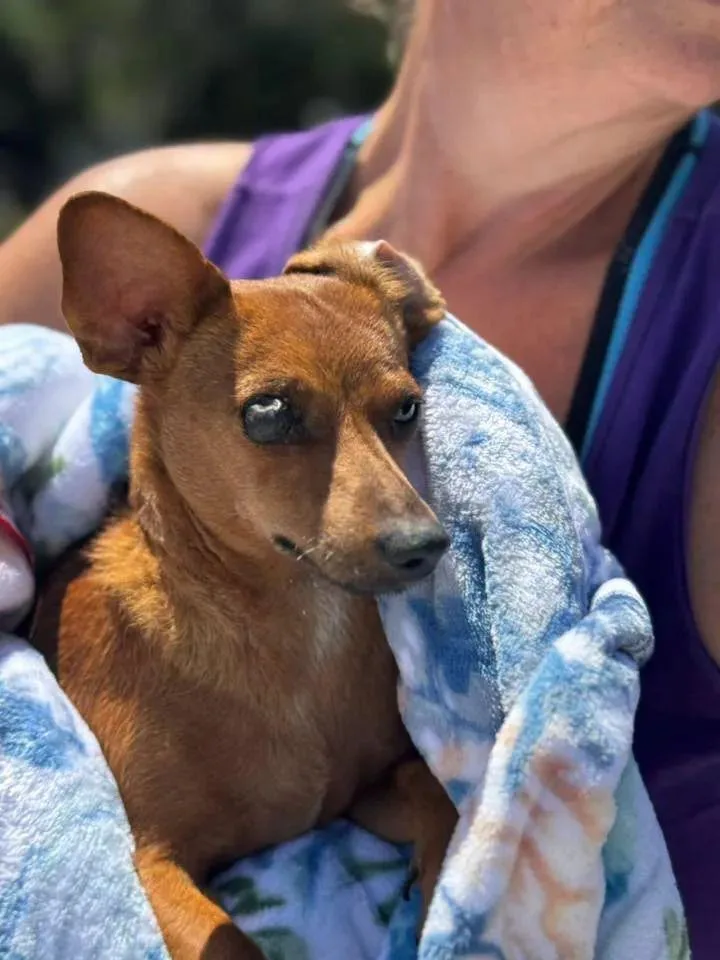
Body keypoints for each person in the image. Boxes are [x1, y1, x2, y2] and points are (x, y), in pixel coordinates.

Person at [2, 0, 720, 953]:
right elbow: (121, 857)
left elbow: (400, 767)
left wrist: (452, 844)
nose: (393, 502)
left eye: (401, 415)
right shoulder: (158, 222)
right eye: (276, 419)